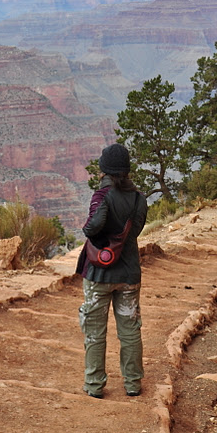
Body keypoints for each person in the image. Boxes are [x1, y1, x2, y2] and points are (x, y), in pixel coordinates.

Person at [76, 143, 148, 399]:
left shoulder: (102, 195)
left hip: (99, 274)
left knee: (95, 331)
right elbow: (135, 231)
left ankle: (94, 384)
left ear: (104, 169)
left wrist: (99, 236)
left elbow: (91, 228)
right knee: (130, 329)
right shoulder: (139, 198)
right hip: (129, 274)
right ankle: (133, 383)